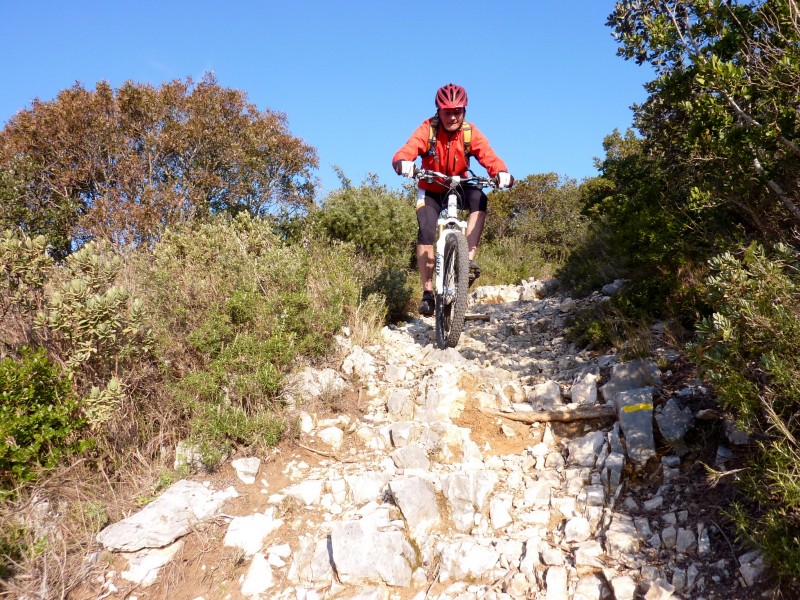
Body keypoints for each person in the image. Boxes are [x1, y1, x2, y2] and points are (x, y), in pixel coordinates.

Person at [392, 83, 512, 316]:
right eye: (447, 111)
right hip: (431, 187)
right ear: (439, 111)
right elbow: (407, 149)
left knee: (480, 199)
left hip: (459, 184)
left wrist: (501, 173)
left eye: (457, 111)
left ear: (464, 111)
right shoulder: (428, 129)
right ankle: (428, 293)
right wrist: (403, 162)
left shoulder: (469, 132)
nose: (453, 116)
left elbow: (489, 156)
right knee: (426, 230)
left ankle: (465, 263)